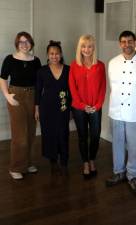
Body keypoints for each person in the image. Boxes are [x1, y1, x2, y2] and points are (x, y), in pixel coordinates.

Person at [105, 30, 136, 194]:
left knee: (135, 147)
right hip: (117, 111)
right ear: (120, 44)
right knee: (118, 144)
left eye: (129, 41)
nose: (127, 45)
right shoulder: (112, 63)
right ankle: (118, 172)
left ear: (135, 42)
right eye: (123, 42)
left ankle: (133, 175)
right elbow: (113, 87)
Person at [0, 31, 41, 180]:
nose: (24, 44)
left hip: (32, 95)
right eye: (21, 42)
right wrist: (7, 95)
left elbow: (39, 82)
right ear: (17, 44)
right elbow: (3, 78)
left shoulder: (36, 60)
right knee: (19, 135)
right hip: (16, 96)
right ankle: (16, 167)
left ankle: (27, 163)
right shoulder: (10, 59)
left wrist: (38, 103)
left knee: (31, 133)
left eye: (27, 41)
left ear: (31, 43)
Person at [69, 34, 106, 179]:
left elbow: (103, 87)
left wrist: (97, 105)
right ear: (80, 48)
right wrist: (82, 105)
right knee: (83, 136)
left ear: (93, 48)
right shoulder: (74, 65)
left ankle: (92, 160)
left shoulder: (100, 65)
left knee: (95, 135)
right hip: (79, 107)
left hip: (96, 107)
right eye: (83, 46)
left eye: (89, 46)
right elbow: (72, 88)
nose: (86, 49)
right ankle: (85, 162)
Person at [35, 40, 71, 175]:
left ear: (61, 55)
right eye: (51, 53)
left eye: (57, 53)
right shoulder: (41, 71)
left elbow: (72, 91)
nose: (54, 56)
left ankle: (64, 161)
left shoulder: (68, 70)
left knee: (63, 133)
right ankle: (53, 160)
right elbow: (38, 91)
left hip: (63, 107)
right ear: (47, 55)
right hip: (46, 108)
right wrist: (37, 109)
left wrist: (72, 110)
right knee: (49, 134)